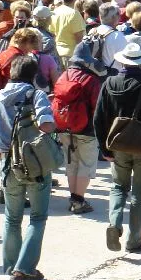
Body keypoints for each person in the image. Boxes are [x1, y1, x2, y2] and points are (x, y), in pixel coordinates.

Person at [93, 42, 141, 253]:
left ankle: (114, 223)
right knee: (140, 192)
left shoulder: (109, 83)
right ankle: (133, 240)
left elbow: (98, 118)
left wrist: (104, 147)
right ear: (140, 63)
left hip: (117, 144)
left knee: (118, 186)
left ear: (121, 61)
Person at [0, 55, 56, 280]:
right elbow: (46, 124)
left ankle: (9, 266)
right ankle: (25, 269)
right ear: (33, 75)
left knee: (11, 218)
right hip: (34, 163)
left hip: (8, 164)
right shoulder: (36, 94)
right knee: (38, 216)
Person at [54, 41, 105, 215]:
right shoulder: (91, 79)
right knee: (85, 164)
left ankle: (73, 198)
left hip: (64, 126)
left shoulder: (63, 76)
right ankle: (78, 201)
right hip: (86, 129)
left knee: (71, 162)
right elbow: (97, 107)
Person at [49, 0, 86, 67]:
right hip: (71, 55)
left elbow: (51, 33)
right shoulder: (74, 14)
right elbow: (79, 38)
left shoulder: (55, 12)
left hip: (57, 53)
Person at [89, 2, 130, 72]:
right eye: (118, 14)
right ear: (114, 17)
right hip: (112, 76)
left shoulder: (92, 31)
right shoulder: (117, 35)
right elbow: (126, 59)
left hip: (95, 73)